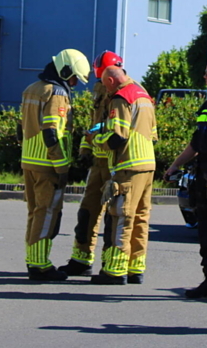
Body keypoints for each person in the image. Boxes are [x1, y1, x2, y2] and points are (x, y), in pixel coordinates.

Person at [163, 53, 207, 299]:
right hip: (204, 177)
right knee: (205, 231)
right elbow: (195, 143)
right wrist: (174, 166)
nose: (205, 76)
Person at [20, 48, 90, 281]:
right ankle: (40, 265)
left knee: (35, 212)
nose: (75, 84)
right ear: (65, 71)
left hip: (30, 160)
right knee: (47, 214)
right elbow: (52, 132)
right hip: (48, 164)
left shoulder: (32, 88)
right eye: (74, 78)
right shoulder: (57, 92)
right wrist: (62, 168)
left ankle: (34, 260)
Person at [59, 50, 122, 276]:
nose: (101, 83)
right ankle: (81, 260)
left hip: (117, 164)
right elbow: (93, 124)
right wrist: (85, 150)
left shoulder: (125, 94)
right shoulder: (100, 90)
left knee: (114, 217)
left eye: (103, 78)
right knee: (87, 212)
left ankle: (113, 265)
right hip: (98, 163)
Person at [91, 65, 157, 285]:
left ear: (110, 80)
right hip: (148, 164)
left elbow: (118, 136)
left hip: (128, 165)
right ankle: (135, 267)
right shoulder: (143, 95)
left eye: (104, 84)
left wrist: (96, 140)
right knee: (141, 218)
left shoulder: (120, 98)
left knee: (121, 216)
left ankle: (115, 270)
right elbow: (153, 133)